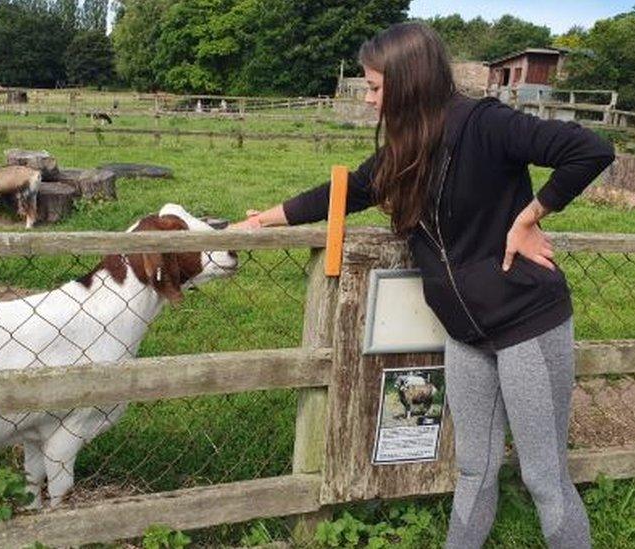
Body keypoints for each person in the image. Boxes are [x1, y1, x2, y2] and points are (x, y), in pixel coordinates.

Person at [228, 22, 614, 549]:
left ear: (409, 82)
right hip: (465, 334)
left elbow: (590, 150)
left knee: (543, 478)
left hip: (526, 325)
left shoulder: (486, 124)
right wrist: (260, 222)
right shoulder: (404, 151)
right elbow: (341, 194)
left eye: (374, 87)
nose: (367, 100)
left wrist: (530, 216)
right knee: (473, 472)